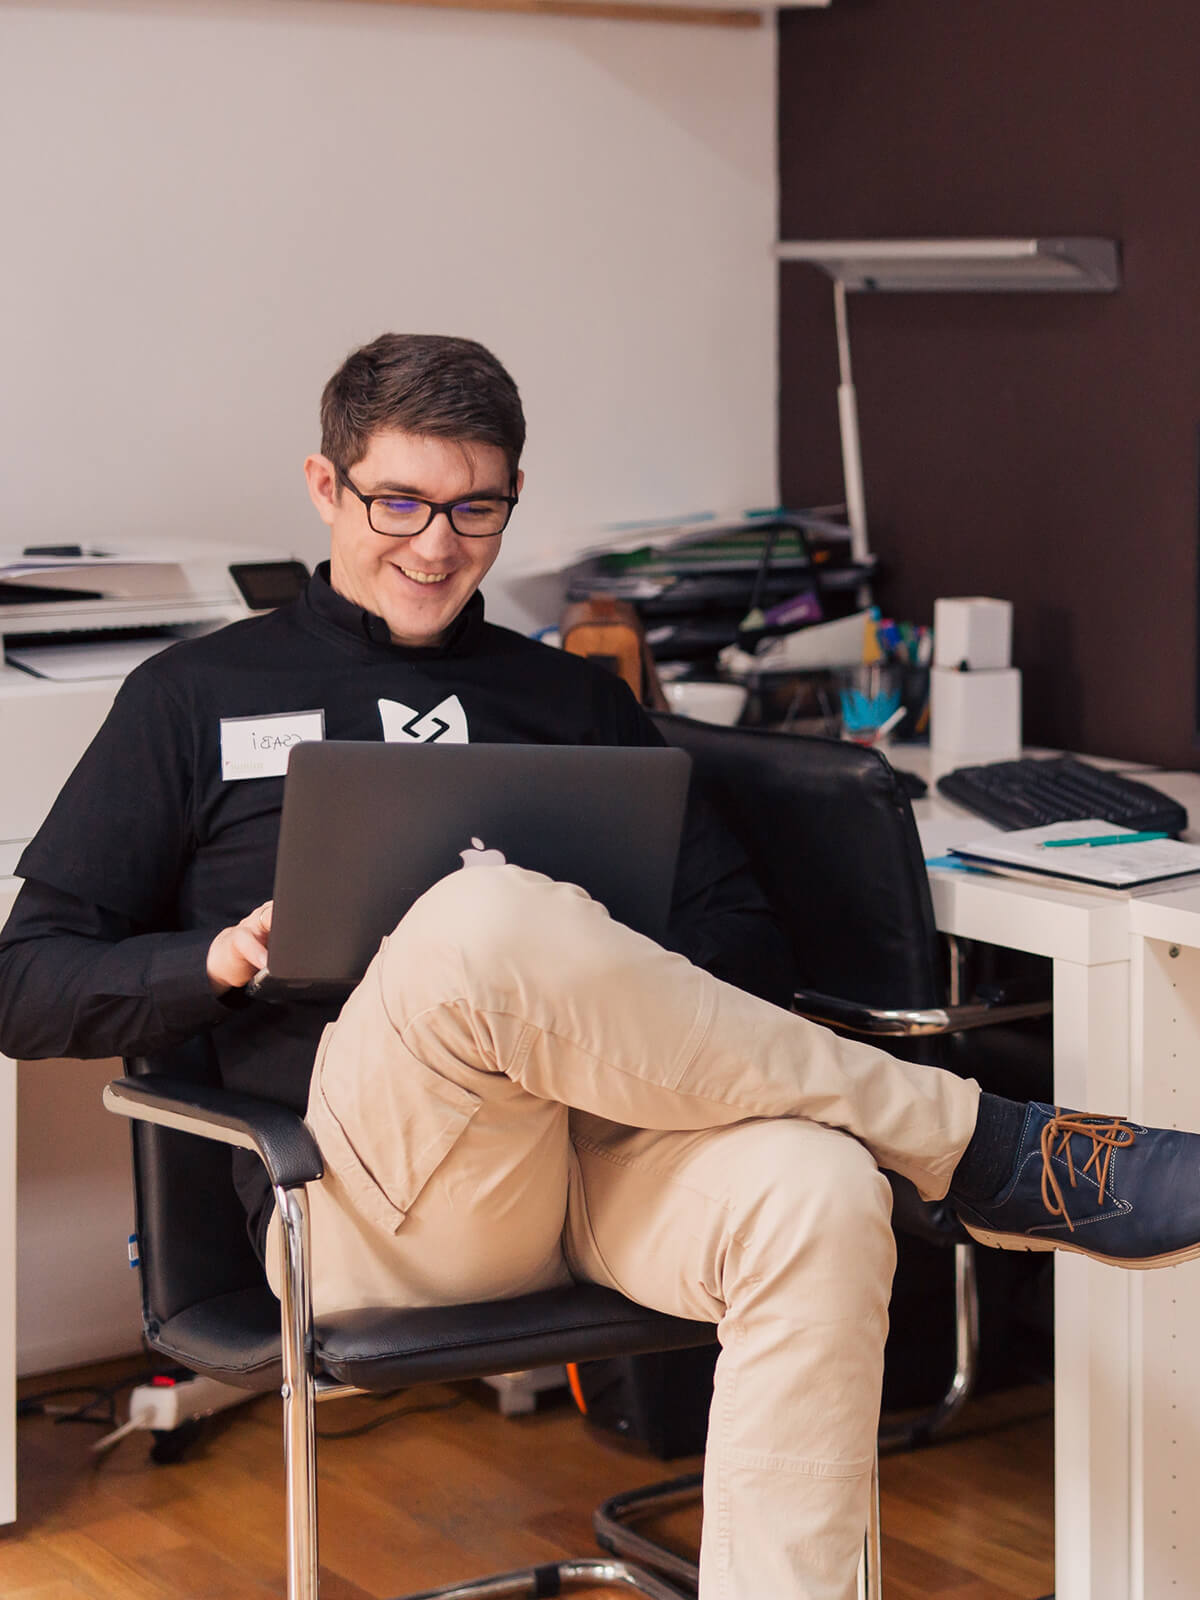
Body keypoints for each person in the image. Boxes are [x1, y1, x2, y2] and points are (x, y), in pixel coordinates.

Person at [2, 332, 1199, 1600]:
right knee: (481, 918)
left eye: (476, 508)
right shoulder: (192, 696)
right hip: (373, 1199)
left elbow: (742, 942)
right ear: (324, 486)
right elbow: (26, 984)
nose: (435, 543)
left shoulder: (569, 696)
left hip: (607, 1157)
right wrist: (223, 958)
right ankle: (994, 1151)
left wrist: (602, 959)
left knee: (821, 1190)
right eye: (397, 501)